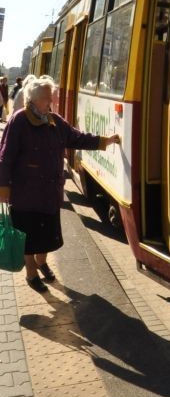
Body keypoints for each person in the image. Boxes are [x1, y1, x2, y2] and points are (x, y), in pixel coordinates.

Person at [0, 75, 121, 292]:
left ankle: (41, 261)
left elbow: (77, 138)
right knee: (28, 238)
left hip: (49, 195)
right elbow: (5, 157)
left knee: (47, 237)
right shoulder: (19, 120)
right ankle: (31, 274)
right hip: (25, 196)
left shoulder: (54, 120)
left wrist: (105, 141)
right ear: (34, 99)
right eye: (48, 99)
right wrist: (3, 187)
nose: (52, 103)